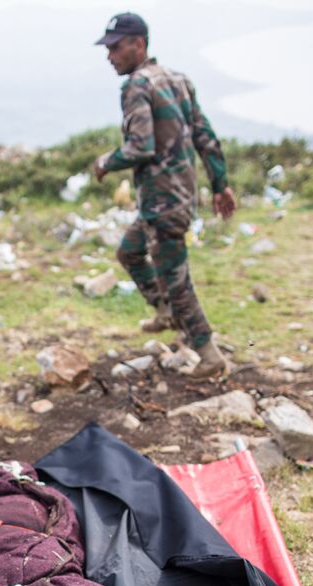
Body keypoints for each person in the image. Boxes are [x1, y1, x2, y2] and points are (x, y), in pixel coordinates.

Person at [92, 12, 238, 378]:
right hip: (178, 194)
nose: (110, 56)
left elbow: (141, 146)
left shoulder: (136, 86)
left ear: (138, 44)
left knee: (177, 278)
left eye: (115, 47)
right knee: (129, 251)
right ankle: (164, 311)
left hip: (162, 199)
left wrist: (106, 162)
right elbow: (206, 136)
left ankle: (208, 354)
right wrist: (219, 184)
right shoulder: (178, 79)